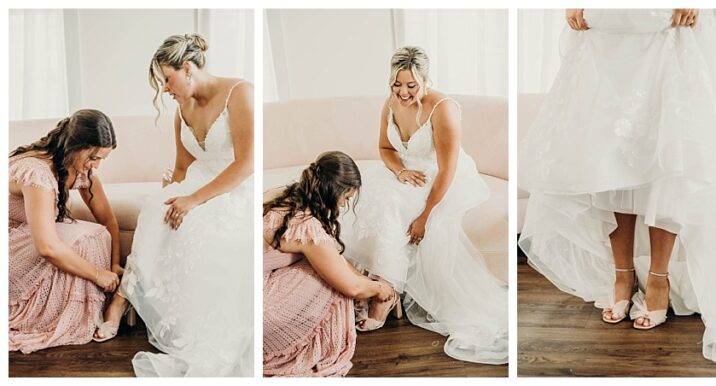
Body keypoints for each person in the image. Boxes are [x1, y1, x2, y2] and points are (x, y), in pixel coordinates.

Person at [518, 9, 716, 363]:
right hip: (610, 44)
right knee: (612, 164)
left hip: (667, 38)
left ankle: (659, 280)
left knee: (669, 163)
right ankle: (623, 277)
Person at [96, 33, 255, 376]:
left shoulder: (240, 93)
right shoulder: (181, 109)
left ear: (187, 68)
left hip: (234, 186)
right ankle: (123, 299)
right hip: (195, 181)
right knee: (155, 212)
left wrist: (193, 200)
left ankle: (189, 322)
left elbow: (246, 164)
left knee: (200, 227)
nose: (165, 89)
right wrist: (169, 195)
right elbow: (182, 167)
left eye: (167, 79)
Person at [338, 46, 508, 365]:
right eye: (396, 85)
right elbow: (385, 147)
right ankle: (367, 283)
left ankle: (385, 295)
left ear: (426, 80)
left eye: (411, 85)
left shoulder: (443, 109)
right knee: (361, 197)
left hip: (443, 176)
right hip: (407, 171)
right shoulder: (390, 103)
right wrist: (400, 170)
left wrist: (425, 216)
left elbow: (448, 168)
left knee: (391, 206)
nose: (402, 93)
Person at [263, 151, 397, 377]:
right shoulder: (306, 225)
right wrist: (382, 289)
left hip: (241, 291)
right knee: (331, 281)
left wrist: (368, 284)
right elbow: (350, 287)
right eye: (346, 198)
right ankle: (380, 302)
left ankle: (377, 298)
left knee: (329, 264)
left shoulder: (283, 196)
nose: (344, 206)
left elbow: (333, 257)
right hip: (260, 315)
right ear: (334, 192)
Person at [9, 109, 120, 353]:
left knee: (97, 234)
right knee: (82, 239)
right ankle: (53, 315)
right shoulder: (36, 172)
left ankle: (99, 305)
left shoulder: (79, 170)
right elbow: (47, 247)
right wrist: (97, 274)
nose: (97, 165)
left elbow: (109, 222)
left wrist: (113, 266)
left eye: (102, 159)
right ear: (75, 146)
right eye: (93, 157)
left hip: (30, 239)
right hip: (9, 250)